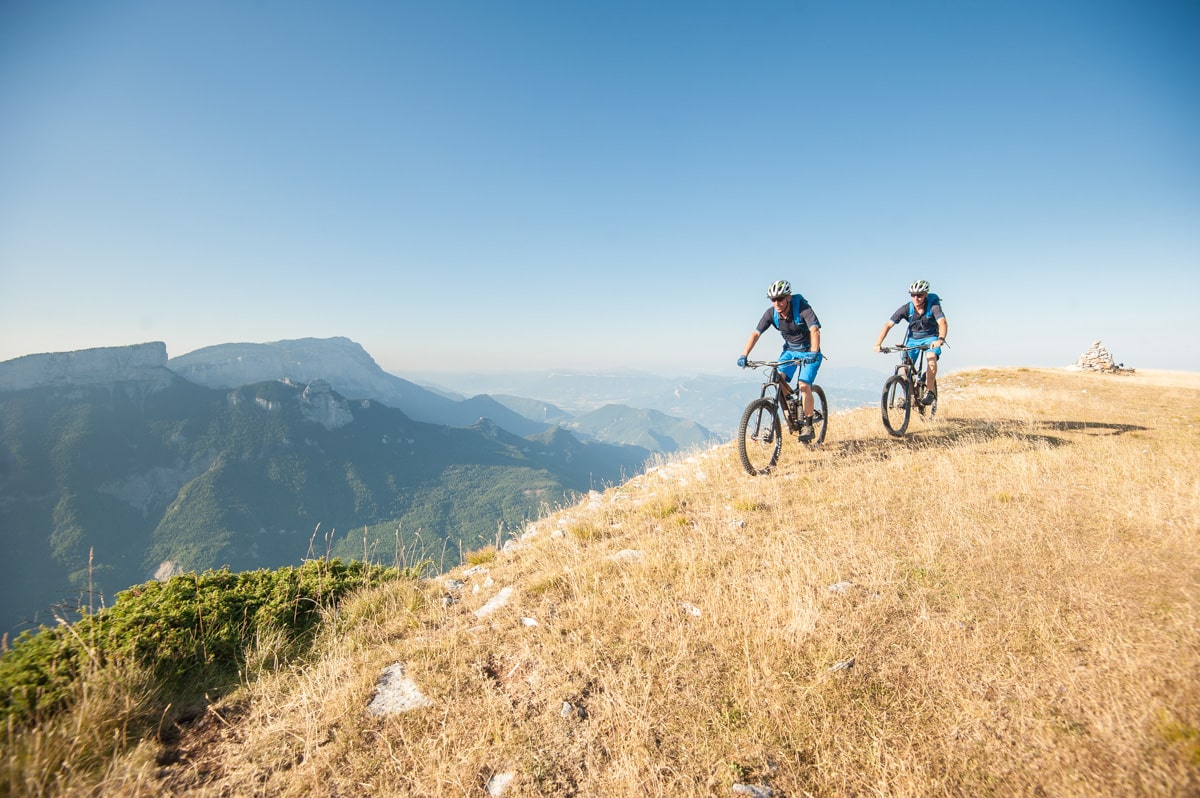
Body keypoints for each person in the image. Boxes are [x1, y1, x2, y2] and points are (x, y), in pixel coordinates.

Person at [737, 279, 823, 441]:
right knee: (776, 378)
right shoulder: (771, 314)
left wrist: (813, 352)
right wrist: (744, 355)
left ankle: (808, 425)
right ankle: (791, 402)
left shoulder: (803, 309)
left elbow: (815, 330)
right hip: (790, 352)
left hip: (810, 353)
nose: (776, 303)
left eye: (780, 299)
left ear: (788, 297)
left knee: (804, 386)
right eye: (773, 299)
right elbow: (756, 333)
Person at [873, 279, 948, 405]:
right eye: (913, 295)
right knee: (905, 368)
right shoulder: (906, 308)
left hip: (931, 337)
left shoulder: (933, 307)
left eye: (919, 295)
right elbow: (888, 325)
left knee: (931, 359)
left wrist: (940, 339)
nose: (916, 298)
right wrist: (877, 343)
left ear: (926, 295)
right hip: (912, 339)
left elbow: (942, 323)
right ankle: (910, 397)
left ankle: (930, 392)